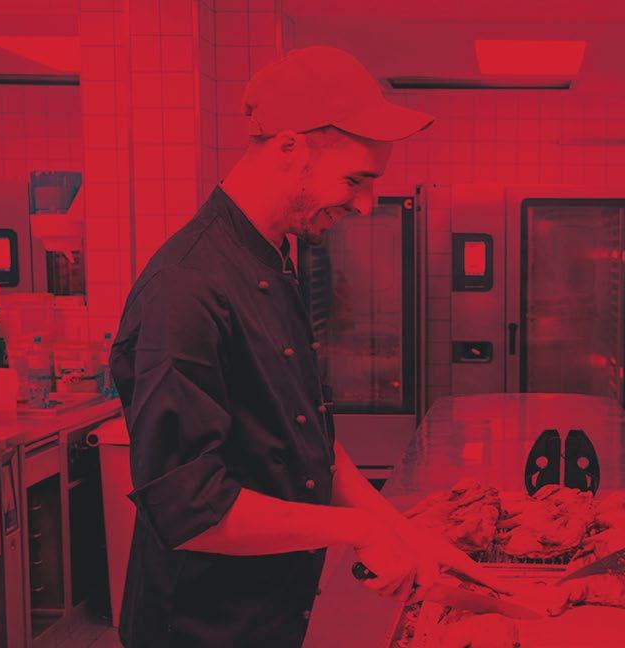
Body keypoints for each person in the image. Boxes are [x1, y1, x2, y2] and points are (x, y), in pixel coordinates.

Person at [110, 46, 493, 647]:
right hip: (202, 625)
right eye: (356, 180)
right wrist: (356, 531)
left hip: (270, 611)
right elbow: (189, 508)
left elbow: (305, 439)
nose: (365, 204)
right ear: (290, 147)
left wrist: (405, 532)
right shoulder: (185, 288)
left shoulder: (272, 260)